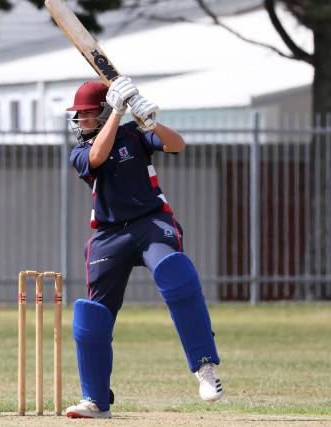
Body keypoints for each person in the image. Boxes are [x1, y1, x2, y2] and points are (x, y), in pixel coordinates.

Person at [63, 79, 223, 419]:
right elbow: (97, 156)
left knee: (174, 271)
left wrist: (151, 121)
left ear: (102, 112)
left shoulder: (134, 134)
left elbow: (177, 145)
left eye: (87, 114)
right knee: (93, 313)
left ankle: (205, 366)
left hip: (151, 221)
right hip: (109, 233)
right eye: (79, 115)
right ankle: (96, 400)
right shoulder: (80, 151)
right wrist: (116, 112)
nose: (80, 120)